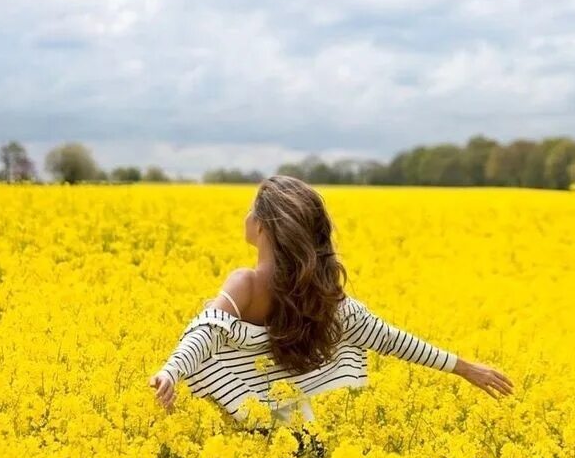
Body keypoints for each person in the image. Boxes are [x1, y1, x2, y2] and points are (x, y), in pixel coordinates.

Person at [149, 175, 513, 424]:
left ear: (262, 226)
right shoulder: (321, 298)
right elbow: (390, 339)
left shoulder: (245, 283)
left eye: (251, 210)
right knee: (351, 334)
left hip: (259, 431)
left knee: (209, 328)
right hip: (305, 428)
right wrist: (465, 368)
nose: (245, 216)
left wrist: (171, 371)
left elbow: (204, 332)